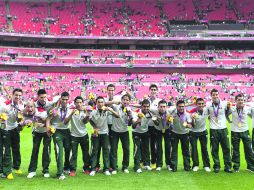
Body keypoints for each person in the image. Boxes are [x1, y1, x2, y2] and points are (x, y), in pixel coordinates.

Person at [27, 89, 58, 179]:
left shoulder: (50, 104)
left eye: (45, 97)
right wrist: (35, 121)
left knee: (47, 151)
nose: (44, 99)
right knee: (35, 150)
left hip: (47, 131)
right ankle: (32, 171)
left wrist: (45, 123)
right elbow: (30, 115)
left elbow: (51, 116)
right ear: (38, 97)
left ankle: (46, 170)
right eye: (41, 97)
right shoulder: (33, 104)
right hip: (37, 132)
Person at [89, 96, 119, 176]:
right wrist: (94, 126)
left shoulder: (106, 111)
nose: (100, 103)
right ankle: (93, 169)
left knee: (106, 151)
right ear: (96, 103)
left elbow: (117, 116)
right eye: (98, 102)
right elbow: (89, 119)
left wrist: (110, 109)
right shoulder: (93, 112)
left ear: (104, 103)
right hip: (96, 134)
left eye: (102, 102)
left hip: (105, 134)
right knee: (94, 151)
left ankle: (106, 169)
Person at [206, 88, 232, 173]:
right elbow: (205, 114)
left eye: (216, 94)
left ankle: (227, 167)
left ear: (219, 95)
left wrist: (228, 109)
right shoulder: (208, 104)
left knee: (227, 148)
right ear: (211, 96)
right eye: (213, 95)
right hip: (213, 130)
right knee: (214, 149)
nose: (215, 96)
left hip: (223, 129)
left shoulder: (224, 103)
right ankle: (216, 166)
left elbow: (229, 113)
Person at [0, 88, 24, 180]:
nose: (18, 97)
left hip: (15, 128)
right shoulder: (4, 105)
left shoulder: (21, 106)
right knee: (7, 150)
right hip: (5, 129)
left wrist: (21, 120)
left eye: (19, 95)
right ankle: (7, 172)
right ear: (12, 95)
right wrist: (2, 120)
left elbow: (19, 120)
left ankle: (16, 167)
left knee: (16, 148)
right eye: (16, 95)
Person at [227, 94, 254, 172]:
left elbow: (251, 115)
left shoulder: (247, 108)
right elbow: (226, 114)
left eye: (242, 100)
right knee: (235, 149)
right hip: (235, 131)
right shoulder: (232, 109)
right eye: (239, 100)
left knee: (249, 149)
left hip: (245, 131)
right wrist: (229, 120)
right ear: (235, 101)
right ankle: (236, 167)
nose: (241, 101)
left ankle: (250, 166)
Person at [64, 96, 90, 177]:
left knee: (85, 153)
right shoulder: (71, 111)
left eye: (80, 102)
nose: (79, 104)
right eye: (77, 102)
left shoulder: (85, 111)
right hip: (74, 135)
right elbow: (65, 122)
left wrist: (87, 116)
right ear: (74, 103)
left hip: (84, 135)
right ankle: (72, 170)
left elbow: (85, 122)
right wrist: (72, 113)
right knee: (73, 154)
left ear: (82, 103)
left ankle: (86, 168)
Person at [50, 91, 71, 180]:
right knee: (59, 151)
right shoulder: (55, 109)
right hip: (57, 131)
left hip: (67, 131)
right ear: (60, 99)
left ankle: (66, 167)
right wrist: (57, 105)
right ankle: (60, 173)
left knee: (68, 150)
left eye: (66, 99)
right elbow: (52, 114)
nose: (65, 101)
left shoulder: (70, 109)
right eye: (63, 99)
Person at [110, 94, 133, 174]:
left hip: (124, 131)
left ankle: (125, 167)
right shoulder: (116, 106)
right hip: (114, 131)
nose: (125, 101)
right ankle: (114, 168)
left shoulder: (130, 110)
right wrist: (115, 102)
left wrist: (130, 116)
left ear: (129, 101)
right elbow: (106, 104)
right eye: (124, 99)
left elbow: (130, 124)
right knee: (113, 150)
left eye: (127, 100)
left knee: (126, 149)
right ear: (121, 100)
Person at [189, 98, 211, 172]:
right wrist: (193, 119)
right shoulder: (192, 112)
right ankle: (195, 165)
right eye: (199, 104)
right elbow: (192, 125)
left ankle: (206, 165)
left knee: (204, 148)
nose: (201, 105)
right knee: (194, 149)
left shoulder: (206, 110)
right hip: (193, 132)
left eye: (202, 103)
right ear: (196, 104)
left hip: (203, 131)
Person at [170, 100, 192, 172]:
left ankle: (187, 166)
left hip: (185, 133)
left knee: (186, 151)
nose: (181, 108)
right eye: (180, 106)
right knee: (174, 151)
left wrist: (188, 125)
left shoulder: (187, 114)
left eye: (183, 106)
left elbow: (190, 124)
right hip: (174, 133)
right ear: (176, 107)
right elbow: (168, 119)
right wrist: (169, 120)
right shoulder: (173, 113)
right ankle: (173, 166)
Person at [132, 99, 153, 173]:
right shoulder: (136, 113)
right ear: (141, 106)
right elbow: (133, 126)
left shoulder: (150, 114)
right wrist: (138, 120)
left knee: (146, 148)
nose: (146, 108)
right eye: (144, 107)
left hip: (145, 132)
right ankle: (136, 166)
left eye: (147, 107)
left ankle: (147, 164)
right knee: (137, 149)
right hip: (136, 132)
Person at [152, 100, 173, 171]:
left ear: (166, 107)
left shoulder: (169, 111)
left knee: (168, 147)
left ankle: (168, 164)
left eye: (164, 106)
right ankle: (159, 165)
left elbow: (179, 106)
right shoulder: (154, 111)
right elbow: (143, 106)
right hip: (158, 130)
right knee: (158, 147)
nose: (162, 108)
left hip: (167, 130)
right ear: (158, 107)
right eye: (161, 107)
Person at [147, 84, 161, 169]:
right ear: (149, 90)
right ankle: (145, 161)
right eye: (152, 89)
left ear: (157, 91)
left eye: (155, 89)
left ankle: (154, 161)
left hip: (156, 125)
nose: (153, 91)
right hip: (147, 125)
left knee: (154, 144)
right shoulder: (146, 100)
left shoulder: (159, 101)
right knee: (145, 144)